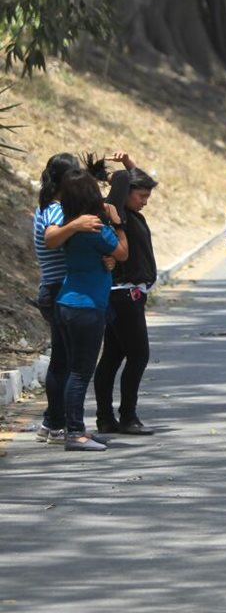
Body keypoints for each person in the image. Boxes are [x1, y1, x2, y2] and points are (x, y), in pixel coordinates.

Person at [33, 153, 105, 445]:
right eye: (75, 171)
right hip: (58, 289)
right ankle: (64, 426)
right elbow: (52, 238)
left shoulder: (52, 206)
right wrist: (75, 226)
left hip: (57, 290)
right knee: (69, 365)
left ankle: (53, 423)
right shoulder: (54, 210)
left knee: (61, 361)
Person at [55, 169, 129, 451]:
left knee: (74, 370)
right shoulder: (95, 227)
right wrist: (118, 223)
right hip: (86, 307)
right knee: (80, 372)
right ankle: (74, 433)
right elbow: (122, 253)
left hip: (68, 302)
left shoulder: (70, 223)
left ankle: (77, 428)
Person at [94, 162, 159, 435]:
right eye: (141, 196)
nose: (144, 202)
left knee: (112, 356)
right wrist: (120, 170)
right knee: (139, 355)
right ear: (125, 192)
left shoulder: (131, 215)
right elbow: (122, 180)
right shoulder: (115, 212)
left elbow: (129, 180)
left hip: (131, 294)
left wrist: (133, 168)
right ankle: (127, 416)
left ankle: (106, 418)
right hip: (122, 294)